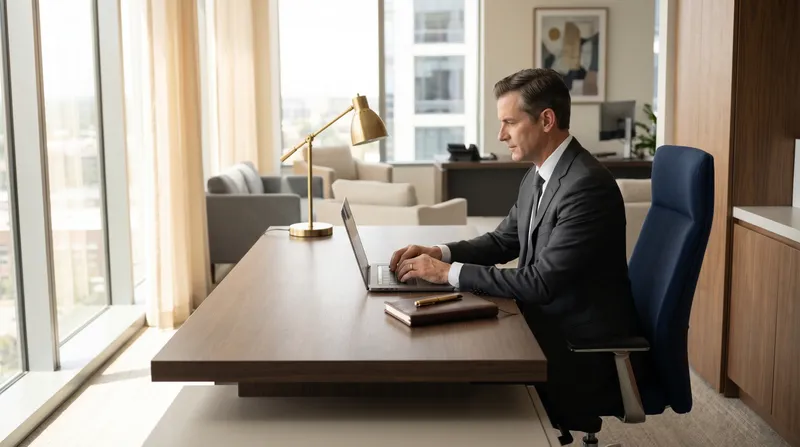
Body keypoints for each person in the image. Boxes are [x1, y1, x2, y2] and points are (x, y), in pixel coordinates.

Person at [389, 68, 647, 431]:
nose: (500, 135)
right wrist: (439, 252)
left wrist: (447, 274)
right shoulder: (539, 173)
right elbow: (502, 240)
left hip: (575, 345)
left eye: (509, 122)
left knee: (457, 364)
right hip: (543, 319)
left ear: (546, 120)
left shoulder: (586, 186)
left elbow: (541, 283)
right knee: (446, 342)